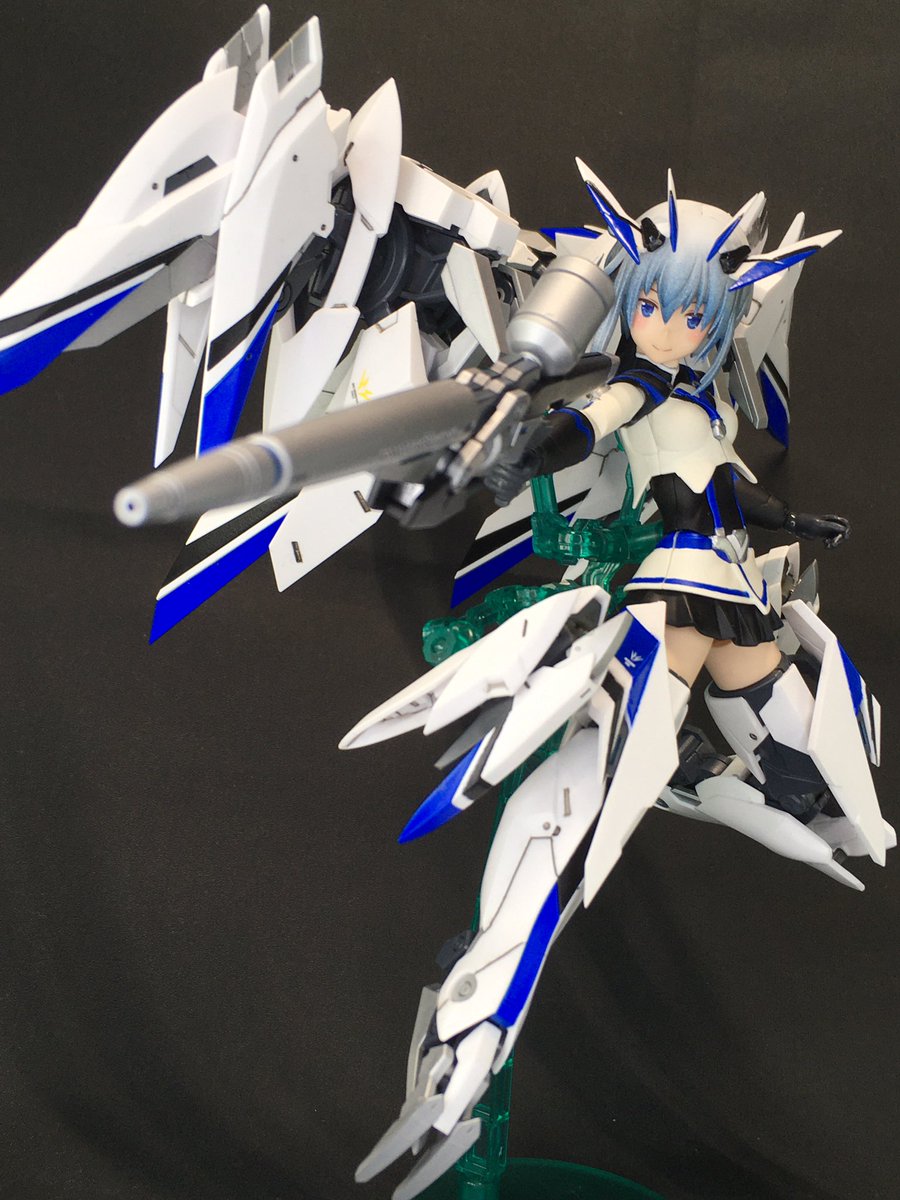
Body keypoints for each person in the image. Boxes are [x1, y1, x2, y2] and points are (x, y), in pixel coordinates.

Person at [489, 165, 850, 820]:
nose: (664, 328)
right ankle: (614, 774)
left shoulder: (700, 394)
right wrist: (532, 454)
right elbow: (589, 422)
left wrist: (796, 519)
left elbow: (726, 485)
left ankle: (783, 795)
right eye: (649, 306)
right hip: (686, 571)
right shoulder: (643, 384)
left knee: (785, 727)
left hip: (729, 572)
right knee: (639, 717)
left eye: (693, 315)